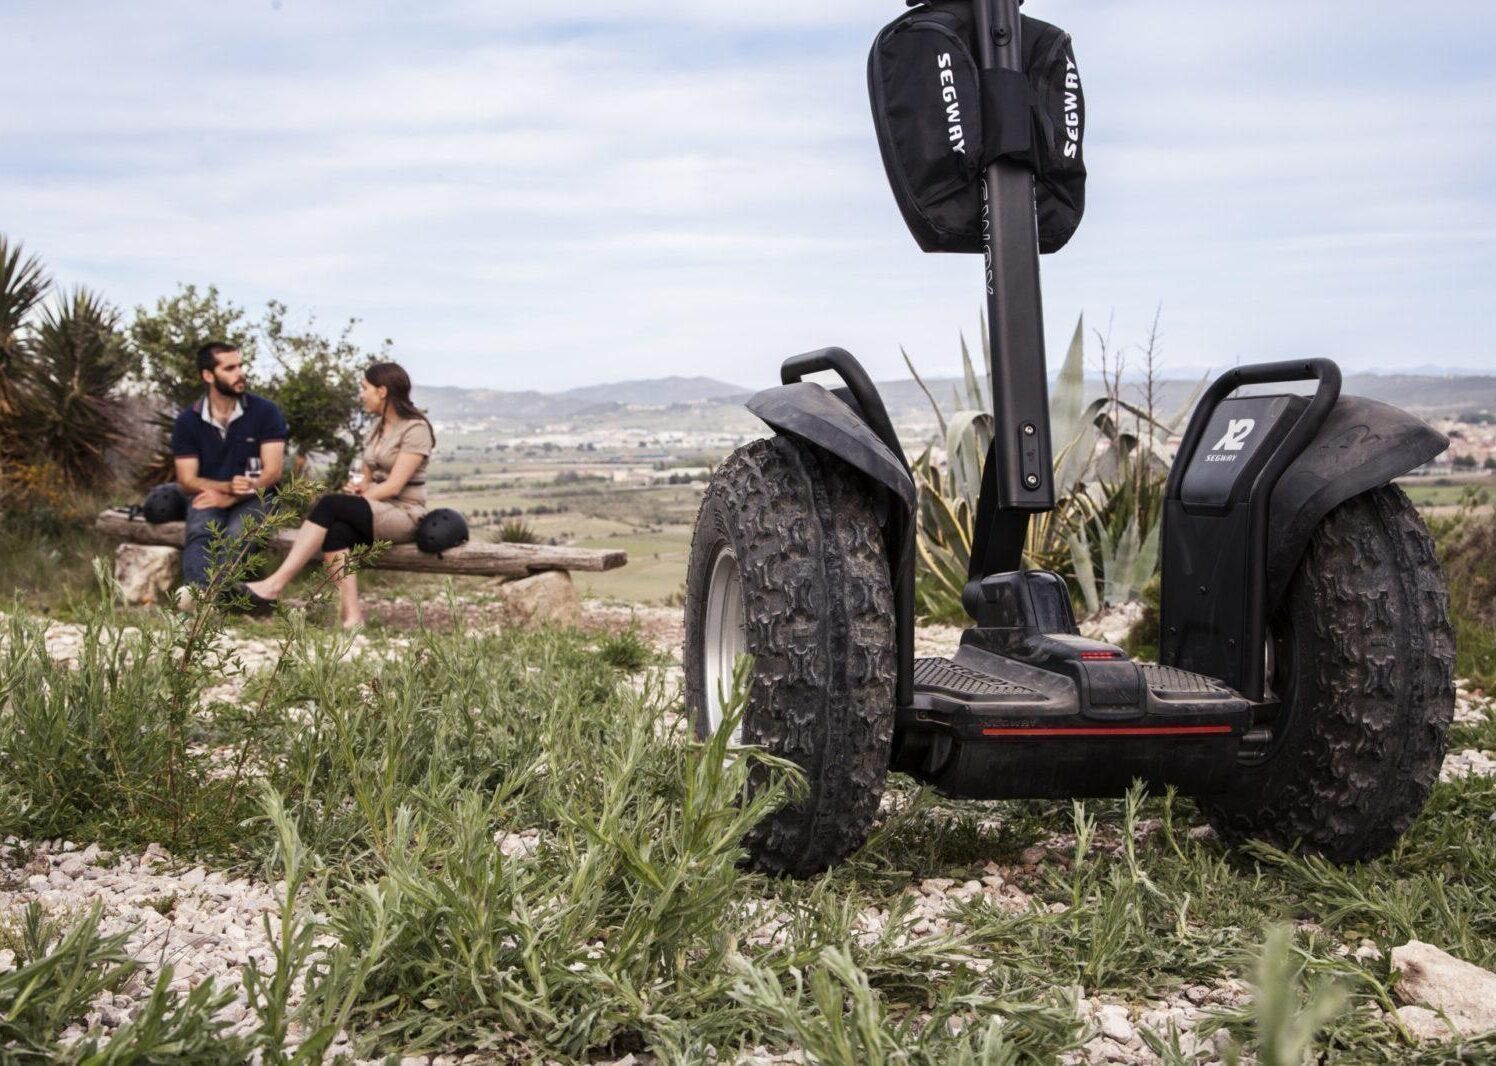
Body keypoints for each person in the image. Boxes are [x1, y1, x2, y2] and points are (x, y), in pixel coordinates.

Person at [241, 361, 434, 629]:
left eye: (363, 387)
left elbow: (393, 487)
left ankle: (275, 584)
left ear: (382, 391)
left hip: (405, 514)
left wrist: (356, 499)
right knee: (337, 532)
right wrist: (357, 489)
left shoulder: (416, 429)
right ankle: (352, 618)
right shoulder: (376, 428)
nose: (360, 394)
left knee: (331, 504)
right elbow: (366, 478)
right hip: (376, 508)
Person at [170, 342, 287, 590]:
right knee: (202, 531)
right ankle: (198, 595)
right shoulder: (188, 421)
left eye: (240, 366)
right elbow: (187, 480)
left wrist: (232, 498)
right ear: (208, 375)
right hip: (212, 494)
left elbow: (273, 472)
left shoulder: (265, 411)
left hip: (259, 494)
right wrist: (225, 488)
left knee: (237, 535)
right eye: (230, 368)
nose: (240, 373)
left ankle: (212, 595)